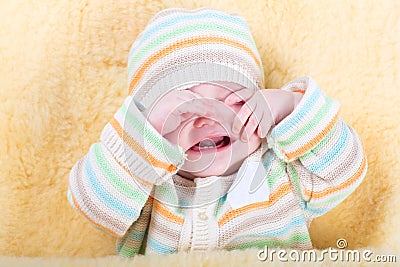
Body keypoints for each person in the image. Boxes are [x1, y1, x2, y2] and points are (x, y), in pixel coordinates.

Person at [67, 7, 367, 257]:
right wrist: (147, 137)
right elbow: (92, 204)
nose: (209, 116)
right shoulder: (145, 185)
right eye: (183, 106)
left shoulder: (282, 173)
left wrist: (288, 107)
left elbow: (348, 168)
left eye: (232, 96)